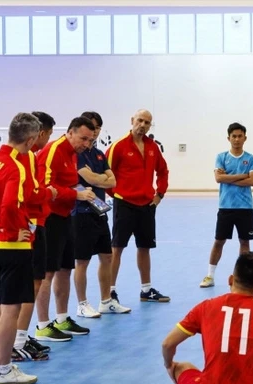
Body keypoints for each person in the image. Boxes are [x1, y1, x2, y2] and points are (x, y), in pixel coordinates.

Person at [161, 252, 253, 384]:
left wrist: (169, 365)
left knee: (181, 367)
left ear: (230, 279)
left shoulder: (205, 307)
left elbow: (167, 344)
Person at [0, 112, 41, 383]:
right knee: (12, 309)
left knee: (3, 305)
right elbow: (9, 205)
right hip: (11, 245)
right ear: (30, 141)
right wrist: (12, 231)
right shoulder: (14, 166)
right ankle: (3, 369)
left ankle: (0, 364)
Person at [35, 116, 97, 341]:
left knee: (64, 270)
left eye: (90, 140)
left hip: (65, 217)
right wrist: (76, 194)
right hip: (49, 218)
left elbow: (64, 183)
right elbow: (44, 186)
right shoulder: (54, 151)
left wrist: (81, 191)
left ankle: (62, 318)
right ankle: (42, 325)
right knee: (47, 273)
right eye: (83, 138)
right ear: (70, 132)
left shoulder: (73, 154)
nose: (86, 145)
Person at [106, 109, 170, 303]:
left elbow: (163, 171)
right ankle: (109, 292)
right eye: (140, 120)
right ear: (132, 120)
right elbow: (106, 174)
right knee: (117, 248)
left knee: (144, 248)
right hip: (124, 204)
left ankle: (146, 290)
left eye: (147, 123)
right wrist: (117, 195)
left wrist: (159, 194)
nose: (143, 125)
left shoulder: (152, 147)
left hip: (147, 206)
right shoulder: (118, 146)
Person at [74, 111, 131, 317]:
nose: (94, 131)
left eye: (97, 127)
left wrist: (97, 178)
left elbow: (111, 181)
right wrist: (99, 178)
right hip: (80, 213)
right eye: (91, 127)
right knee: (82, 261)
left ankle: (106, 301)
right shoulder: (77, 153)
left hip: (100, 212)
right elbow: (90, 178)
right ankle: (82, 304)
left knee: (106, 256)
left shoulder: (98, 154)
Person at [12, 111, 57, 360]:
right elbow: (30, 193)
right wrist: (49, 194)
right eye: (48, 134)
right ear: (39, 133)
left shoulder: (24, 156)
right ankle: (17, 341)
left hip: (31, 223)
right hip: (30, 224)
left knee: (29, 285)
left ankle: (19, 337)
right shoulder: (27, 157)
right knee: (30, 285)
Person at [200, 123, 253, 288]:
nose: (237, 139)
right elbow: (219, 179)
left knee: (244, 242)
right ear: (229, 138)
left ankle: (243, 277)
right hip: (226, 207)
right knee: (219, 241)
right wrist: (242, 176)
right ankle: (210, 276)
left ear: (245, 138)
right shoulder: (221, 157)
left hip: (245, 207)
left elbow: (252, 181)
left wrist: (229, 177)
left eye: (240, 136)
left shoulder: (251, 158)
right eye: (234, 136)